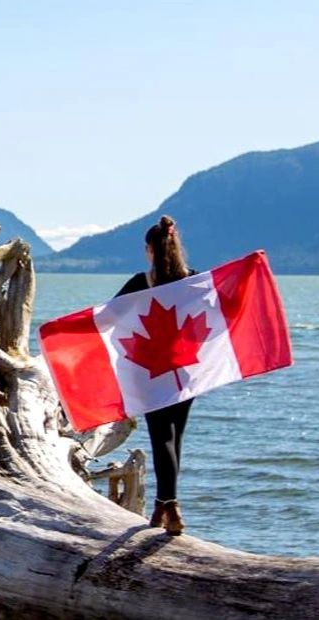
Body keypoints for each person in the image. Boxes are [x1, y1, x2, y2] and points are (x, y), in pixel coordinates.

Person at [115, 215, 194, 536]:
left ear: (149, 249)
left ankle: (170, 506)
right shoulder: (194, 279)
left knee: (161, 438)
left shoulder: (140, 282)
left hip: (151, 371)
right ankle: (166, 505)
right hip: (186, 370)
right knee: (175, 439)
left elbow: (106, 317)